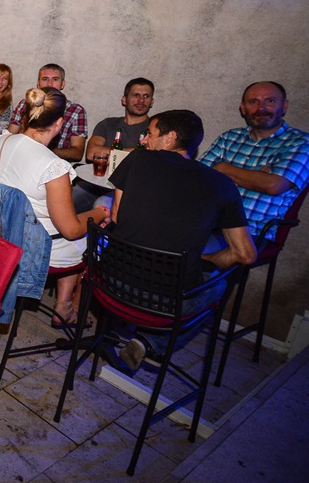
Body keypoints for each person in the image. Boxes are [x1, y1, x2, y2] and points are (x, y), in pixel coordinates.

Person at [108, 110, 256, 372]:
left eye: (150, 134)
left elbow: (117, 217)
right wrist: (205, 259)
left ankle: (140, 337)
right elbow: (245, 254)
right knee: (219, 283)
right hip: (165, 303)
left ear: (170, 137)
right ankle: (152, 341)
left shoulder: (138, 158)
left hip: (110, 281)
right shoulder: (222, 184)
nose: (144, 141)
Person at [0, 88, 109, 325]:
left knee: (74, 223)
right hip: (34, 248)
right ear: (59, 123)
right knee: (97, 237)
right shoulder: (53, 166)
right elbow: (71, 230)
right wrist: (101, 212)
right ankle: (69, 307)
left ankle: (63, 304)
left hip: (0, 234)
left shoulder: (1, 142)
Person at [199, 81, 309, 243]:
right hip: (205, 222)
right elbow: (197, 179)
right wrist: (255, 177)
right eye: (253, 102)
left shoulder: (301, 143)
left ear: (284, 106)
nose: (261, 108)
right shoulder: (229, 137)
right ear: (243, 108)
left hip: (249, 232)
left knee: (183, 252)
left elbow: (274, 186)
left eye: (270, 101)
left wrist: (223, 169)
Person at [74, 77, 155, 211]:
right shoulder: (108, 124)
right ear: (124, 100)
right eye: (136, 95)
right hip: (97, 182)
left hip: (130, 189)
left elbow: (150, 158)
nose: (141, 100)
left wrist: (108, 152)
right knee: (68, 198)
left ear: (152, 102)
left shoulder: (154, 129)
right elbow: (91, 153)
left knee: (101, 205)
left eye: (146, 96)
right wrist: (136, 152)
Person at [7, 64, 87, 162]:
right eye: (45, 79)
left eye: (55, 79)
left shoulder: (76, 111)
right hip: (22, 159)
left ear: (62, 84)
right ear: (38, 84)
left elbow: (77, 153)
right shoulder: (25, 104)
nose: (50, 84)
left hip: (55, 163)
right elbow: (9, 136)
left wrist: (40, 150)